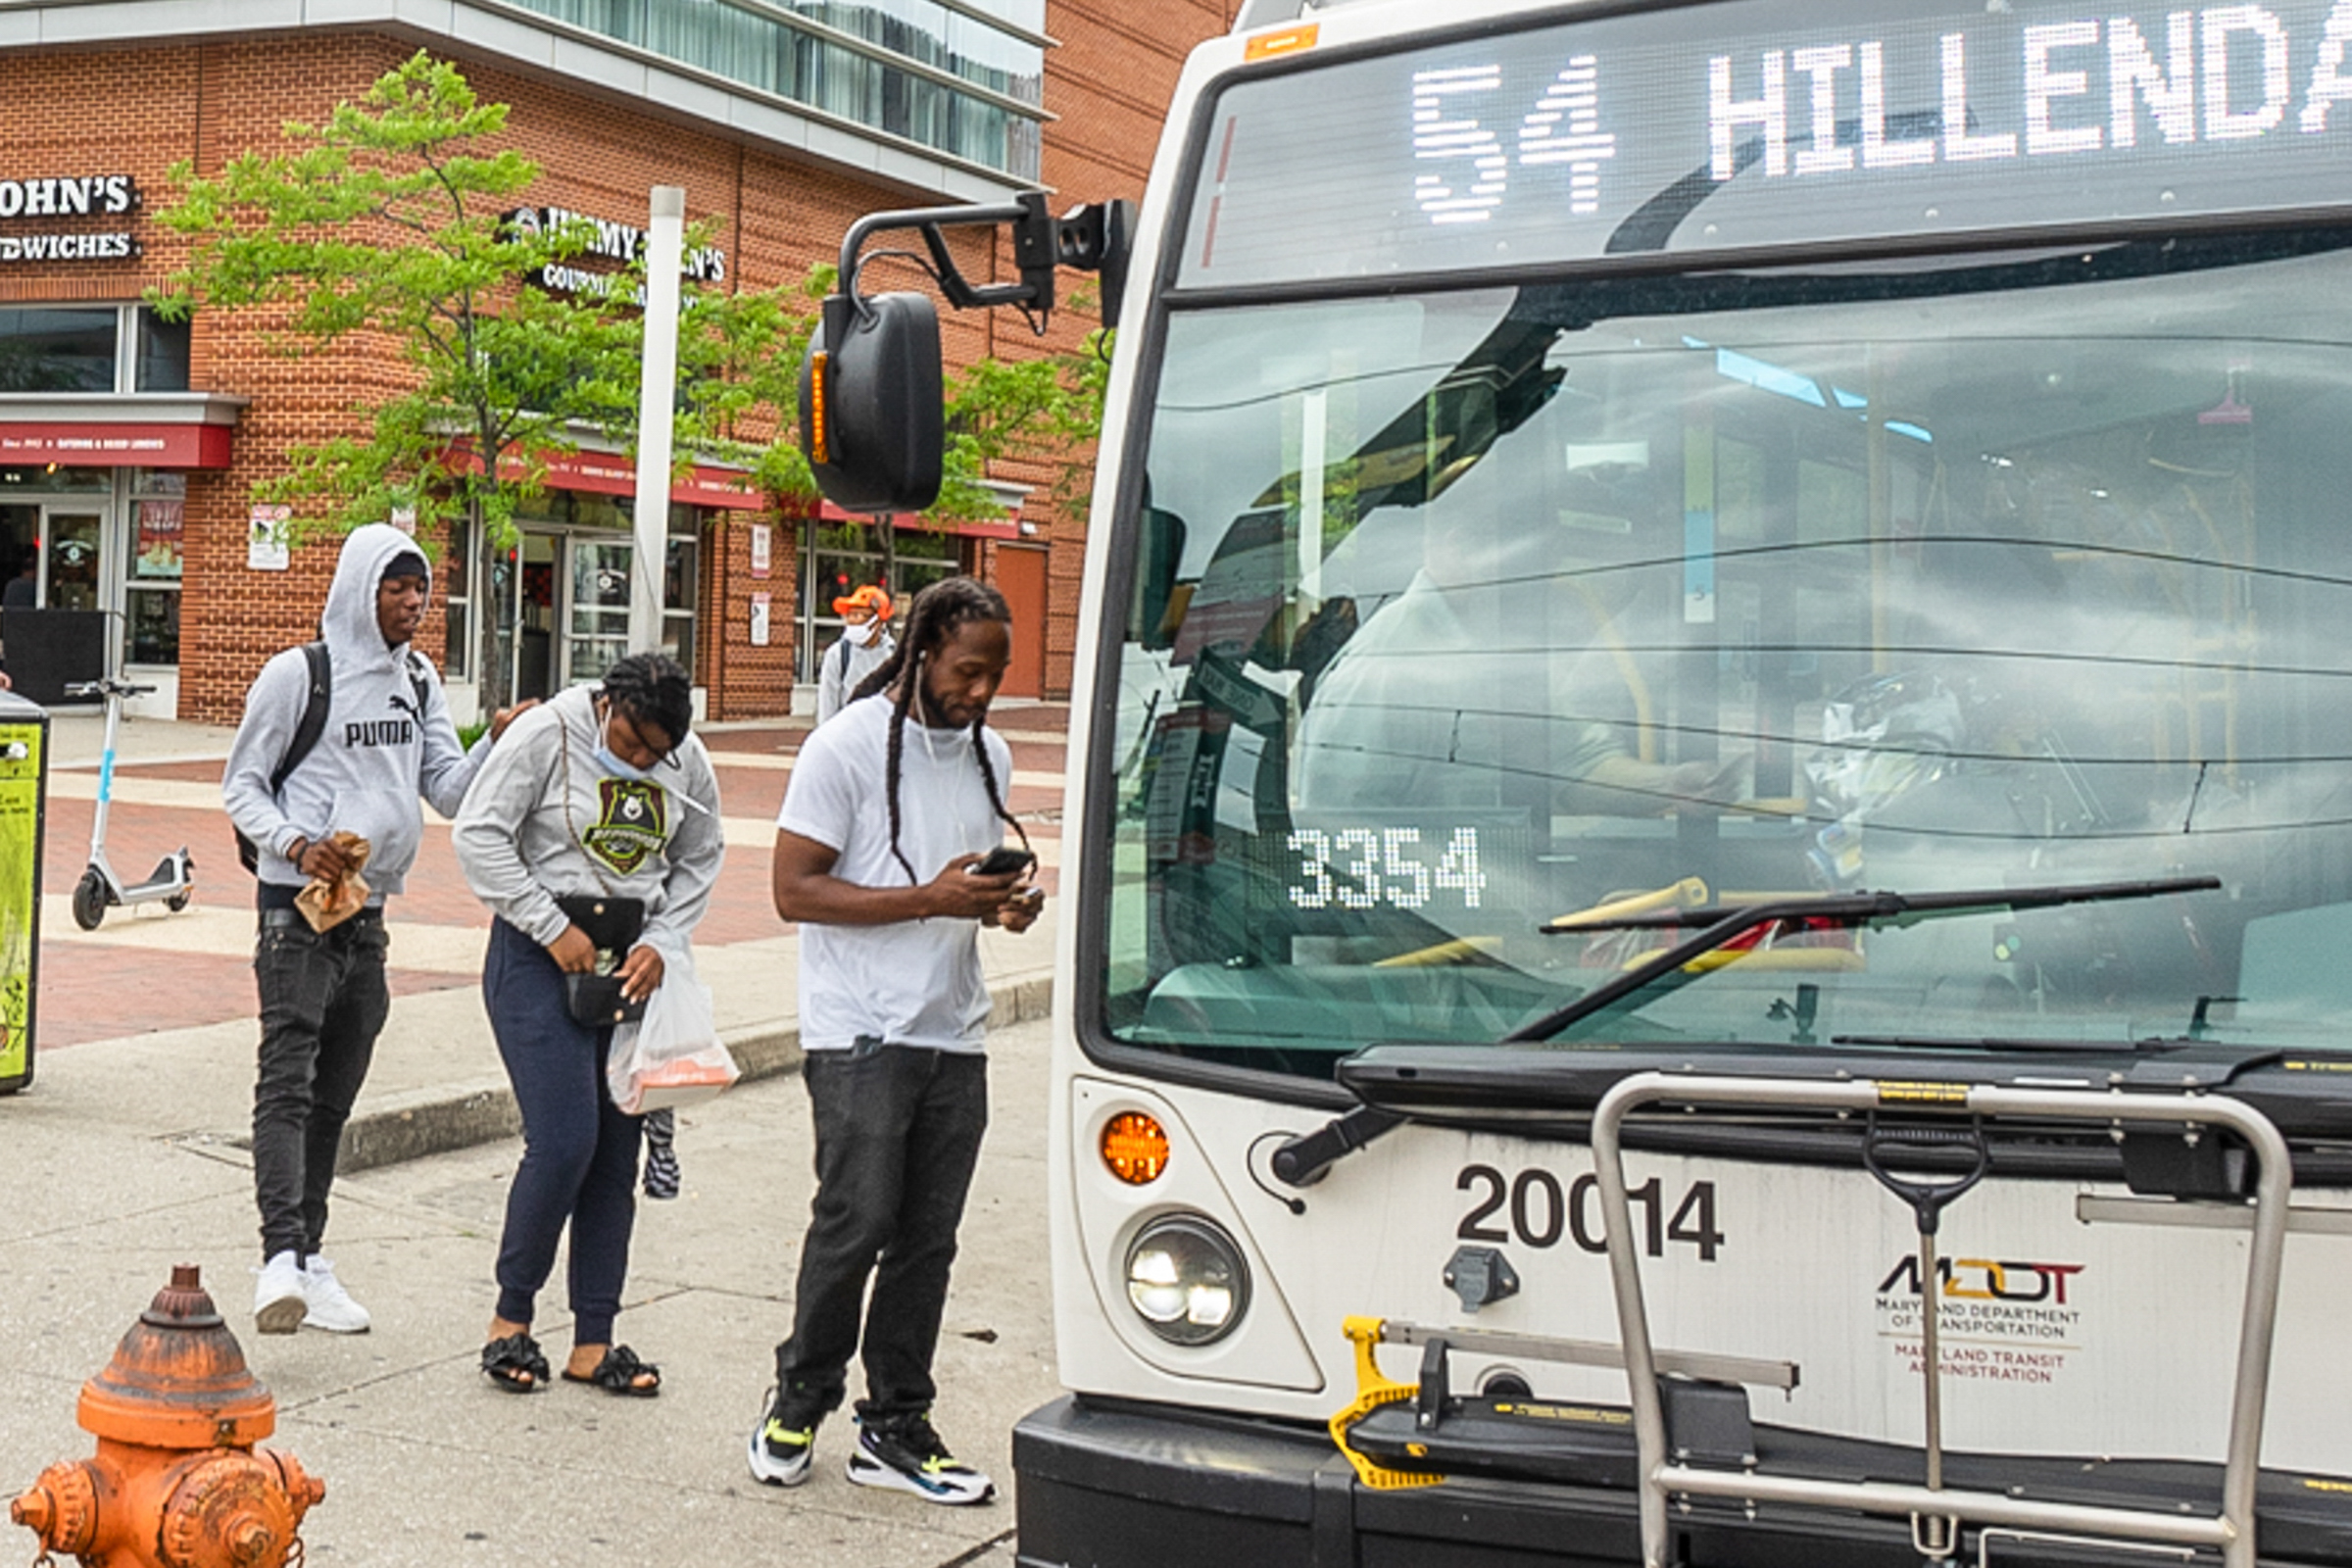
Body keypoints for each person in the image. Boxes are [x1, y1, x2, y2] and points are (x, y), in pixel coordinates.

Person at [750, 575, 1041, 1504]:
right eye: (968, 671)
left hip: (954, 1028)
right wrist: (932, 898)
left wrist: (1004, 905)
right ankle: (799, 1397)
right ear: (920, 652)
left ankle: (896, 1424)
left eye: (997, 673)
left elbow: (964, 882)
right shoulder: (842, 748)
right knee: (857, 1220)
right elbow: (794, 890)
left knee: (928, 1239)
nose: (983, 691)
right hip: (861, 1030)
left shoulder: (987, 751)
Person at [222, 523, 523, 1335]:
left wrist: (498, 740)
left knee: (334, 1097)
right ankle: (279, 1257)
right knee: (287, 1082)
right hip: (296, 913)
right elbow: (242, 787)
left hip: (370, 916)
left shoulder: (419, 680)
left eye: (421, 589)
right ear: (362, 589)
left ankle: (311, 1257)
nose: (414, 604)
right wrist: (295, 843)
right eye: (397, 588)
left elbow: (450, 792)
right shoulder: (299, 676)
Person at [454, 652, 723, 1397]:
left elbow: (701, 857)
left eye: (655, 754)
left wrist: (662, 943)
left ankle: (593, 1340)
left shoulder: (685, 760)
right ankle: (510, 1322)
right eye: (632, 743)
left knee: (615, 1150)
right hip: (539, 958)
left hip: (626, 960)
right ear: (607, 703)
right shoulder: (548, 733)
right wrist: (547, 926)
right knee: (566, 1138)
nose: (641, 761)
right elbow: (478, 834)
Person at [816, 583, 895, 724]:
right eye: (849, 615)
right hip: (848, 735)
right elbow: (827, 704)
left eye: (858, 615)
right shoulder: (838, 654)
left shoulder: (893, 655)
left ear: (878, 621)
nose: (851, 621)